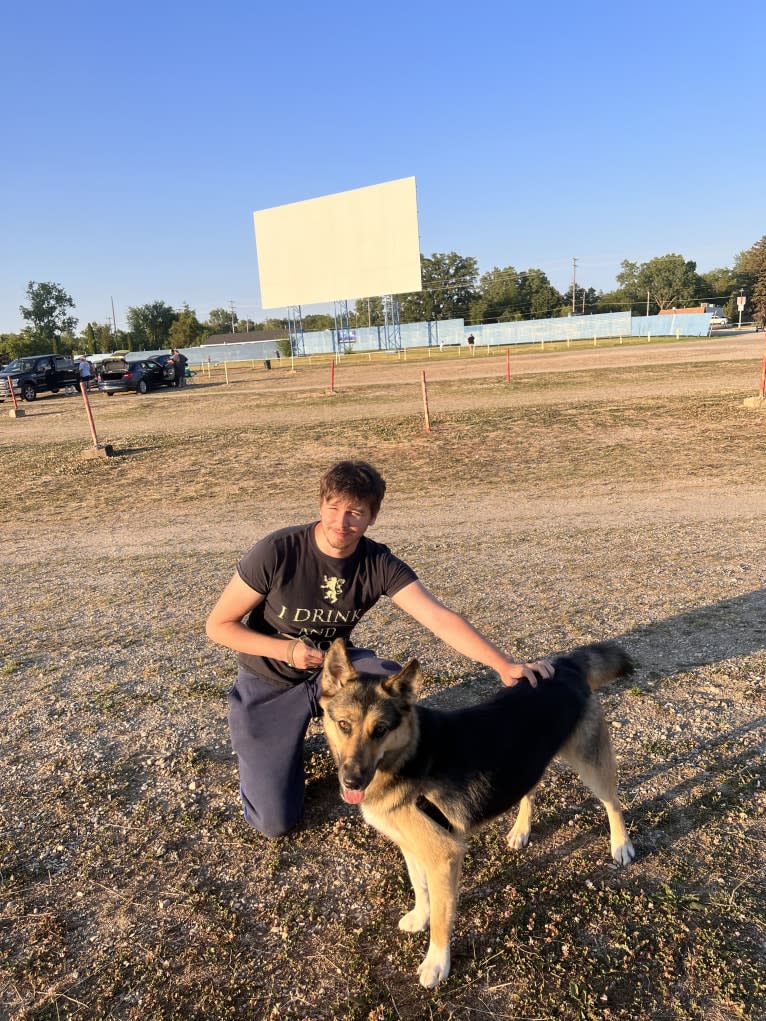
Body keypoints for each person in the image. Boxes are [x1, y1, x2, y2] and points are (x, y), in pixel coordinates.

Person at [205, 460, 553, 839]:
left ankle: (390, 767)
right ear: (321, 505)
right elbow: (218, 626)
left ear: (372, 516)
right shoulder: (277, 551)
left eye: (355, 513)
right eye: (334, 508)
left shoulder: (376, 561)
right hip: (269, 677)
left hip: (336, 674)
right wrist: (287, 651)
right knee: (274, 823)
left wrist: (502, 664)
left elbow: (437, 617)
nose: (342, 523)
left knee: (390, 687)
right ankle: (270, 754)